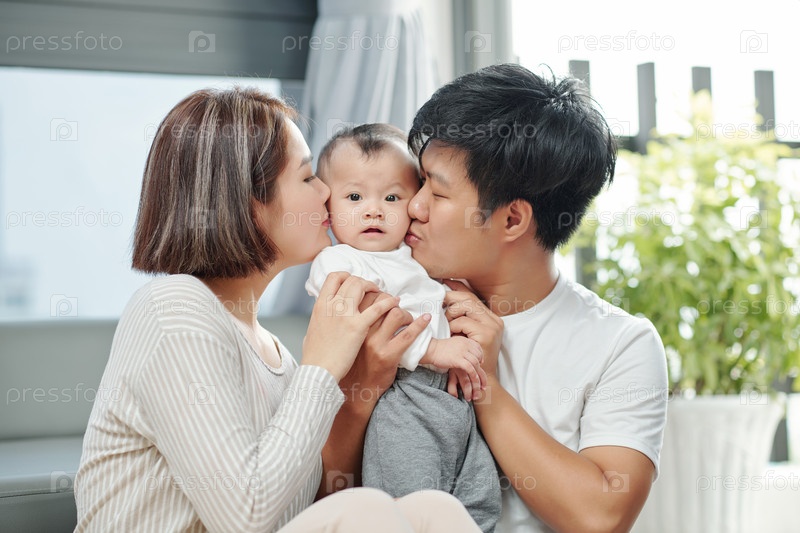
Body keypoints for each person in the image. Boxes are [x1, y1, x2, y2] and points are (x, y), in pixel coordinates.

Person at [73, 87, 481, 533]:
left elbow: (321, 500)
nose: (326, 191)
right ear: (248, 202)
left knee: (433, 510)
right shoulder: (173, 310)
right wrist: (321, 366)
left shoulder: (273, 353)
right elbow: (246, 517)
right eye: (307, 178)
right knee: (368, 509)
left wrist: (363, 386)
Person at [323, 64, 669, 533]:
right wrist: (362, 391)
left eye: (437, 192)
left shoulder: (621, 343)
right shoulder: (382, 302)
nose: (413, 206)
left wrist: (484, 384)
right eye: (418, 182)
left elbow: (601, 517)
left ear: (511, 220)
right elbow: (324, 503)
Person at [305, 123, 501, 532]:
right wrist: (434, 350)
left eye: (392, 197)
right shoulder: (340, 261)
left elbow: (437, 292)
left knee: (479, 502)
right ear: (328, 209)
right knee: (411, 502)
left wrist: (462, 302)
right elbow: (368, 317)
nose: (374, 210)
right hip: (401, 396)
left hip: (454, 401)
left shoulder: (412, 254)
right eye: (354, 197)